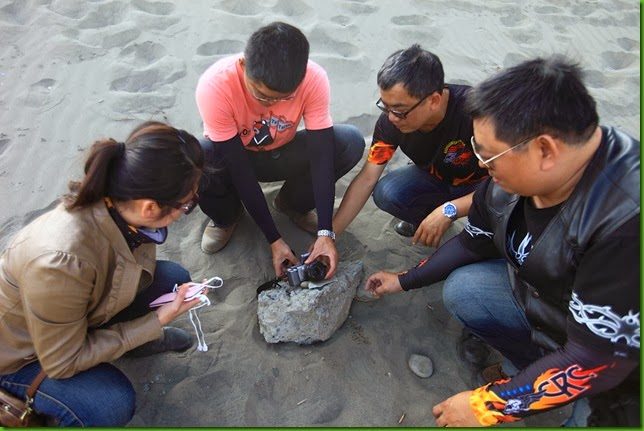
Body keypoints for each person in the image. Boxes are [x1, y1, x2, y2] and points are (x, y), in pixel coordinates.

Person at [365, 56, 639, 427]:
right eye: (476, 149)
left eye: (489, 156)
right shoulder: (511, 182)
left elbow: (598, 359)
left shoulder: (624, 222)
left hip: (619, 361)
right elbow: (472, 242)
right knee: (465, 290)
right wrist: (404, 280)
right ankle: (531, 365)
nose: (481, 165)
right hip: (551, 301)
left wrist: (490, 405)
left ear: (545, 150)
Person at [0, 122, 206, 426]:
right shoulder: (60, 263)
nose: (187, 209)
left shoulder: (122, 204)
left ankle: (135, 343)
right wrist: (156, 321)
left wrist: (149, 324)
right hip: (23, 356)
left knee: (172, 280)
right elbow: (62, 361)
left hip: (79, 318)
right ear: (150, 207)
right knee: (111, 403)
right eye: (187, 204)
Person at [195, 21, 364, 279]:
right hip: (237, 157)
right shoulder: (215, 86)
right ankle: (227, 217)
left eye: (284, 98)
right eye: (261, 95)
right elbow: (239, 170)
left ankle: (292, 204)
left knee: (349, 141)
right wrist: (274, 239)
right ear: (243, 65)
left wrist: (325, 233)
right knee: (199, 156)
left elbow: (322, 156)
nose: (271, 104)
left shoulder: (313, 78)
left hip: (282, 152)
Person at [332, 44, 487, 247]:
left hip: (485, 185)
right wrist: (329, 236)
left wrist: (449, 210)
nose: (392, 118)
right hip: (436, 178)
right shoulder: (390, 123)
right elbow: (367, 178)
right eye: (385, 106)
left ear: (434, 101)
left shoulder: (477, 114)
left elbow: (506, 185)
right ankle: (429, 219)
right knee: (387, 192)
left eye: (400, 110)